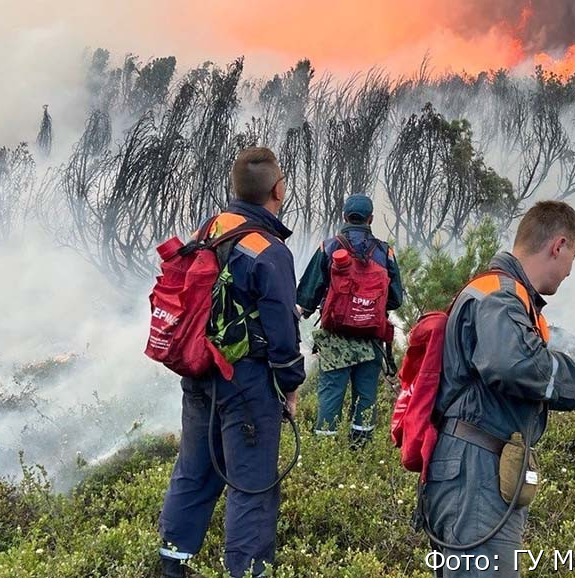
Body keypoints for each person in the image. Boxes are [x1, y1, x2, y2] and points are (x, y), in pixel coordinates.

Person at [421, 200, 575, 577]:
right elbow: (515, 367)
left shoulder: (510, 300)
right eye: (574, 256)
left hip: (475, 468)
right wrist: (570, 369)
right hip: (477, 473)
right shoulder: (500, 297)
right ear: (558, 246)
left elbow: (541, 383)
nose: (570, 271)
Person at [157, 147, 306, 578]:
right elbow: (282, 331)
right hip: (246, 383)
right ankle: (247, 570)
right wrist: (290, 385)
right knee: (251, 483)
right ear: (278, 190)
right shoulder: (268, 248)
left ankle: (172, 563)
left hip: (199, 372)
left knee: (194, 472)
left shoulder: (209, 228)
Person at [296, 194, 404, 447]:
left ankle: (325, 450)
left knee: (331, 396)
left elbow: (307, 296)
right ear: (371, 219)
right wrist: (366, 306)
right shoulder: (384, 251)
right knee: (365, 398)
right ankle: (361, 450)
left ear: (344, 216)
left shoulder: (329, 247)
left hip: (335, 338)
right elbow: (395, 299)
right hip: (371, 338)